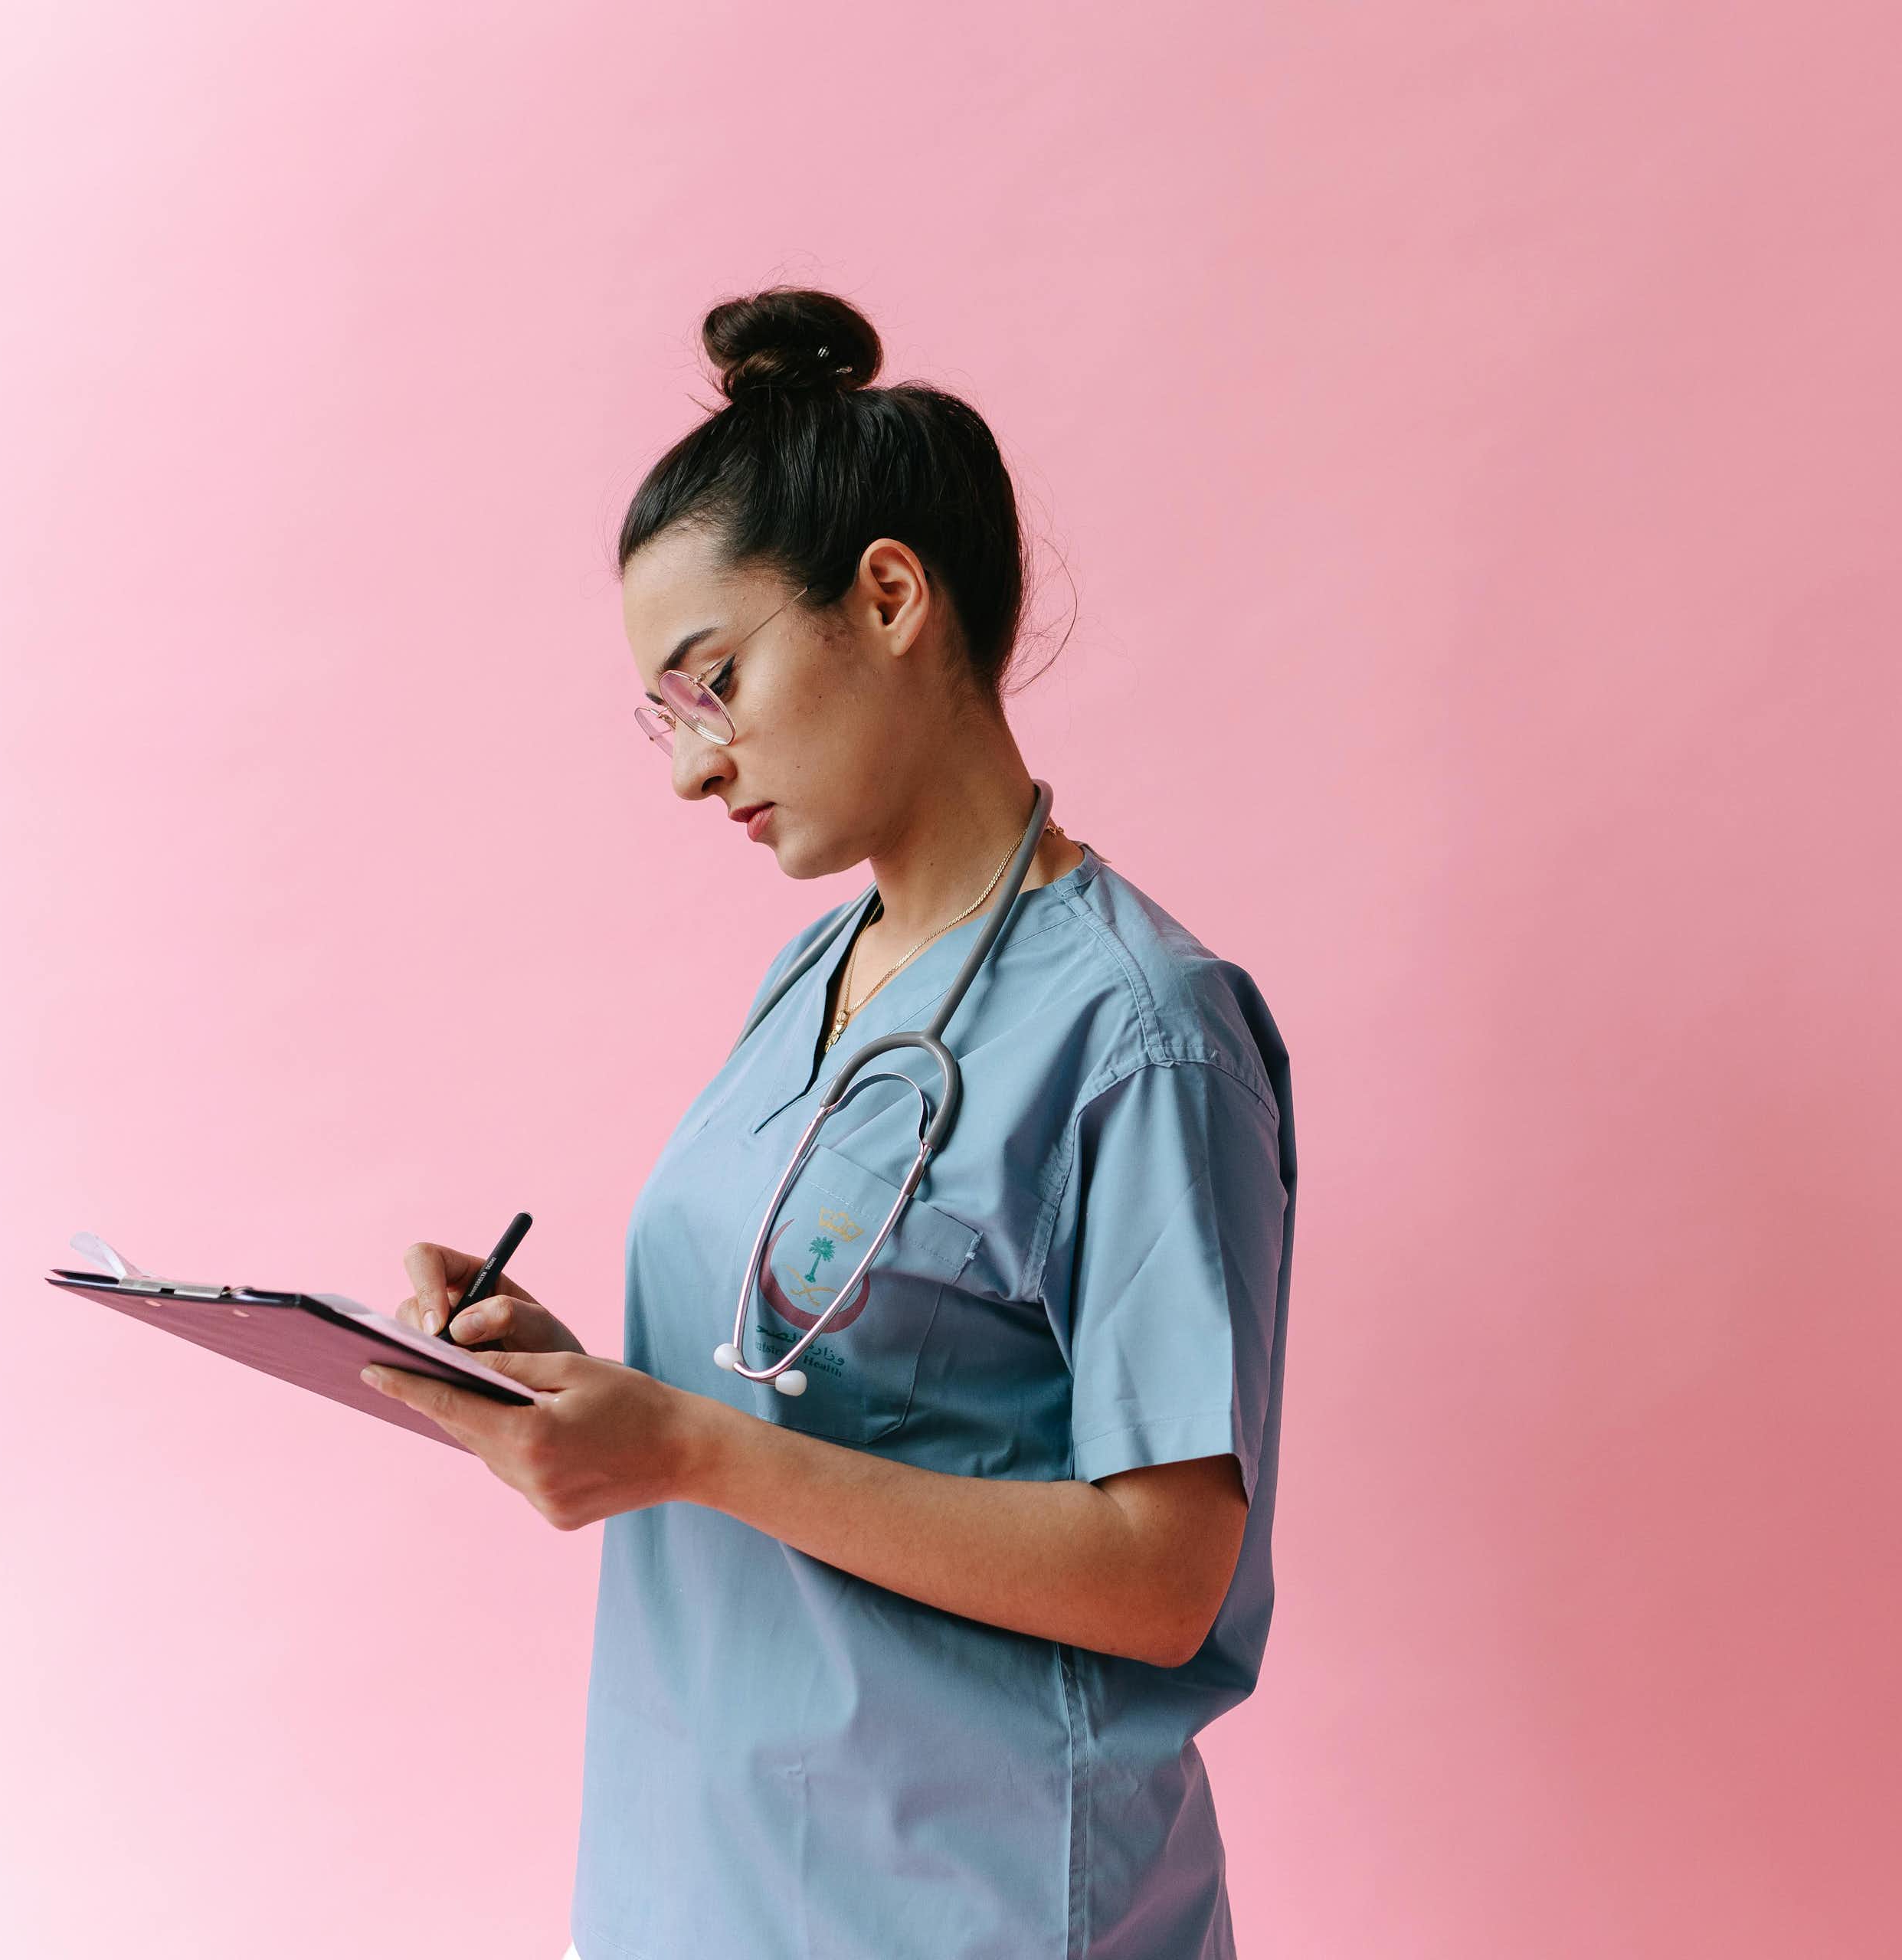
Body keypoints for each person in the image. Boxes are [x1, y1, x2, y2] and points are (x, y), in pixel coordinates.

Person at [362, 285, 1298, 1960]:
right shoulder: (817, 974)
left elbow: (1165, 1574)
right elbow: (801, 1386)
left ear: (884, 596)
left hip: (971, 1899)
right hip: (702, 1875)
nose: (689, 769)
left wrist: (690, 1444)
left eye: (709, 682)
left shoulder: (1141, 1035)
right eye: (663, 716)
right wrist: (577, 1384)